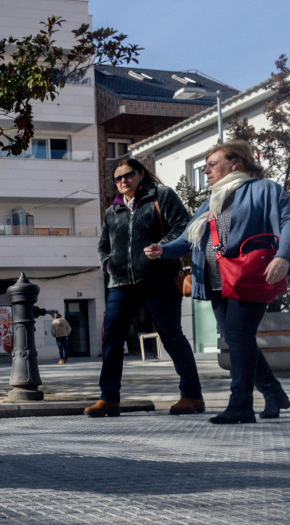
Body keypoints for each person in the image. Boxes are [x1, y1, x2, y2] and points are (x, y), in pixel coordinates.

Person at [146, 140, 290, 424]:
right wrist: (163, 249)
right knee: (236, 339)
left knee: (239, 337)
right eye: (205, 166)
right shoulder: (211, 201)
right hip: (216, 280)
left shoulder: (264, 189)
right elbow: (187, 240)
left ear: (236, 163)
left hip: (249, 276)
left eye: (212, 164)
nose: (206, 171)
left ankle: (241, 404)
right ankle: (273, 393)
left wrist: (284, 257)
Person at [88, 158, 204, 418]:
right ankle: (109, 399)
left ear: (141, 173)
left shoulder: (160, 196)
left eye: (127, 175)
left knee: (172, 337)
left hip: (159, 279)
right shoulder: (112, 210)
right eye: (117, 178)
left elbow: (182, 227)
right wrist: (108, 264)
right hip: (121, 284)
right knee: (111, 339)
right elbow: (103, 244)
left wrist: (162, 247)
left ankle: (192, 395)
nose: (122, 181)